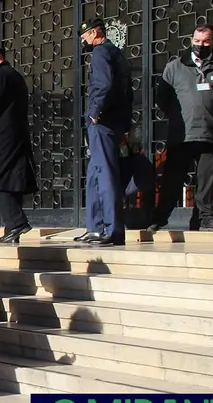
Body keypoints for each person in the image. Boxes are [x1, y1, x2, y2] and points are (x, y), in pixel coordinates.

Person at [149, 23, 213, 232]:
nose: (201, 45)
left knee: (209, 180)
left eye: (206, 41)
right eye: (197, 41)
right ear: (191, 40)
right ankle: (159, 218)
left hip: (211, 133)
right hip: (182, 134)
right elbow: (162, 98)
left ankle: (207, 219)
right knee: (172, 178)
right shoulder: (175, 66)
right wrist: (178, 115)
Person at [74, 18, 133, 245]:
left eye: (85, 35)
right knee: (94, 175)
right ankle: (95, 226)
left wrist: (94, 113)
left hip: (103, 122)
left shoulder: (100, 53)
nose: (83, 40)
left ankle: (112, 229)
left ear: (96, 33)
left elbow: (105, 84)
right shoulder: (117, 54)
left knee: (105, 174)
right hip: (113, 122)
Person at [0, 43, 39, 244]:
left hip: (0, 137)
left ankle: (17, 222)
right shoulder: (16, 76)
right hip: (17, 136)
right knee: (12, 181)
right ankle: (12, 228)